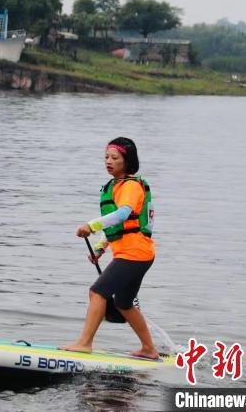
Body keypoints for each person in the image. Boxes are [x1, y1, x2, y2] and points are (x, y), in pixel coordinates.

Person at [59, 137, 159, 359]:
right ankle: (149, 349)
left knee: (97, 292)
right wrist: (100, 248)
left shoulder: (131, 186)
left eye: (115, 157)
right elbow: (122, 225)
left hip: (134, 254)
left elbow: (122, 214)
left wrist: (91, 225)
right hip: (137, 253)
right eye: (106, 157)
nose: (108, 161)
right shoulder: (117, 186)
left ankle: (84, 343)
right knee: (123, 303)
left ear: (127, 161)